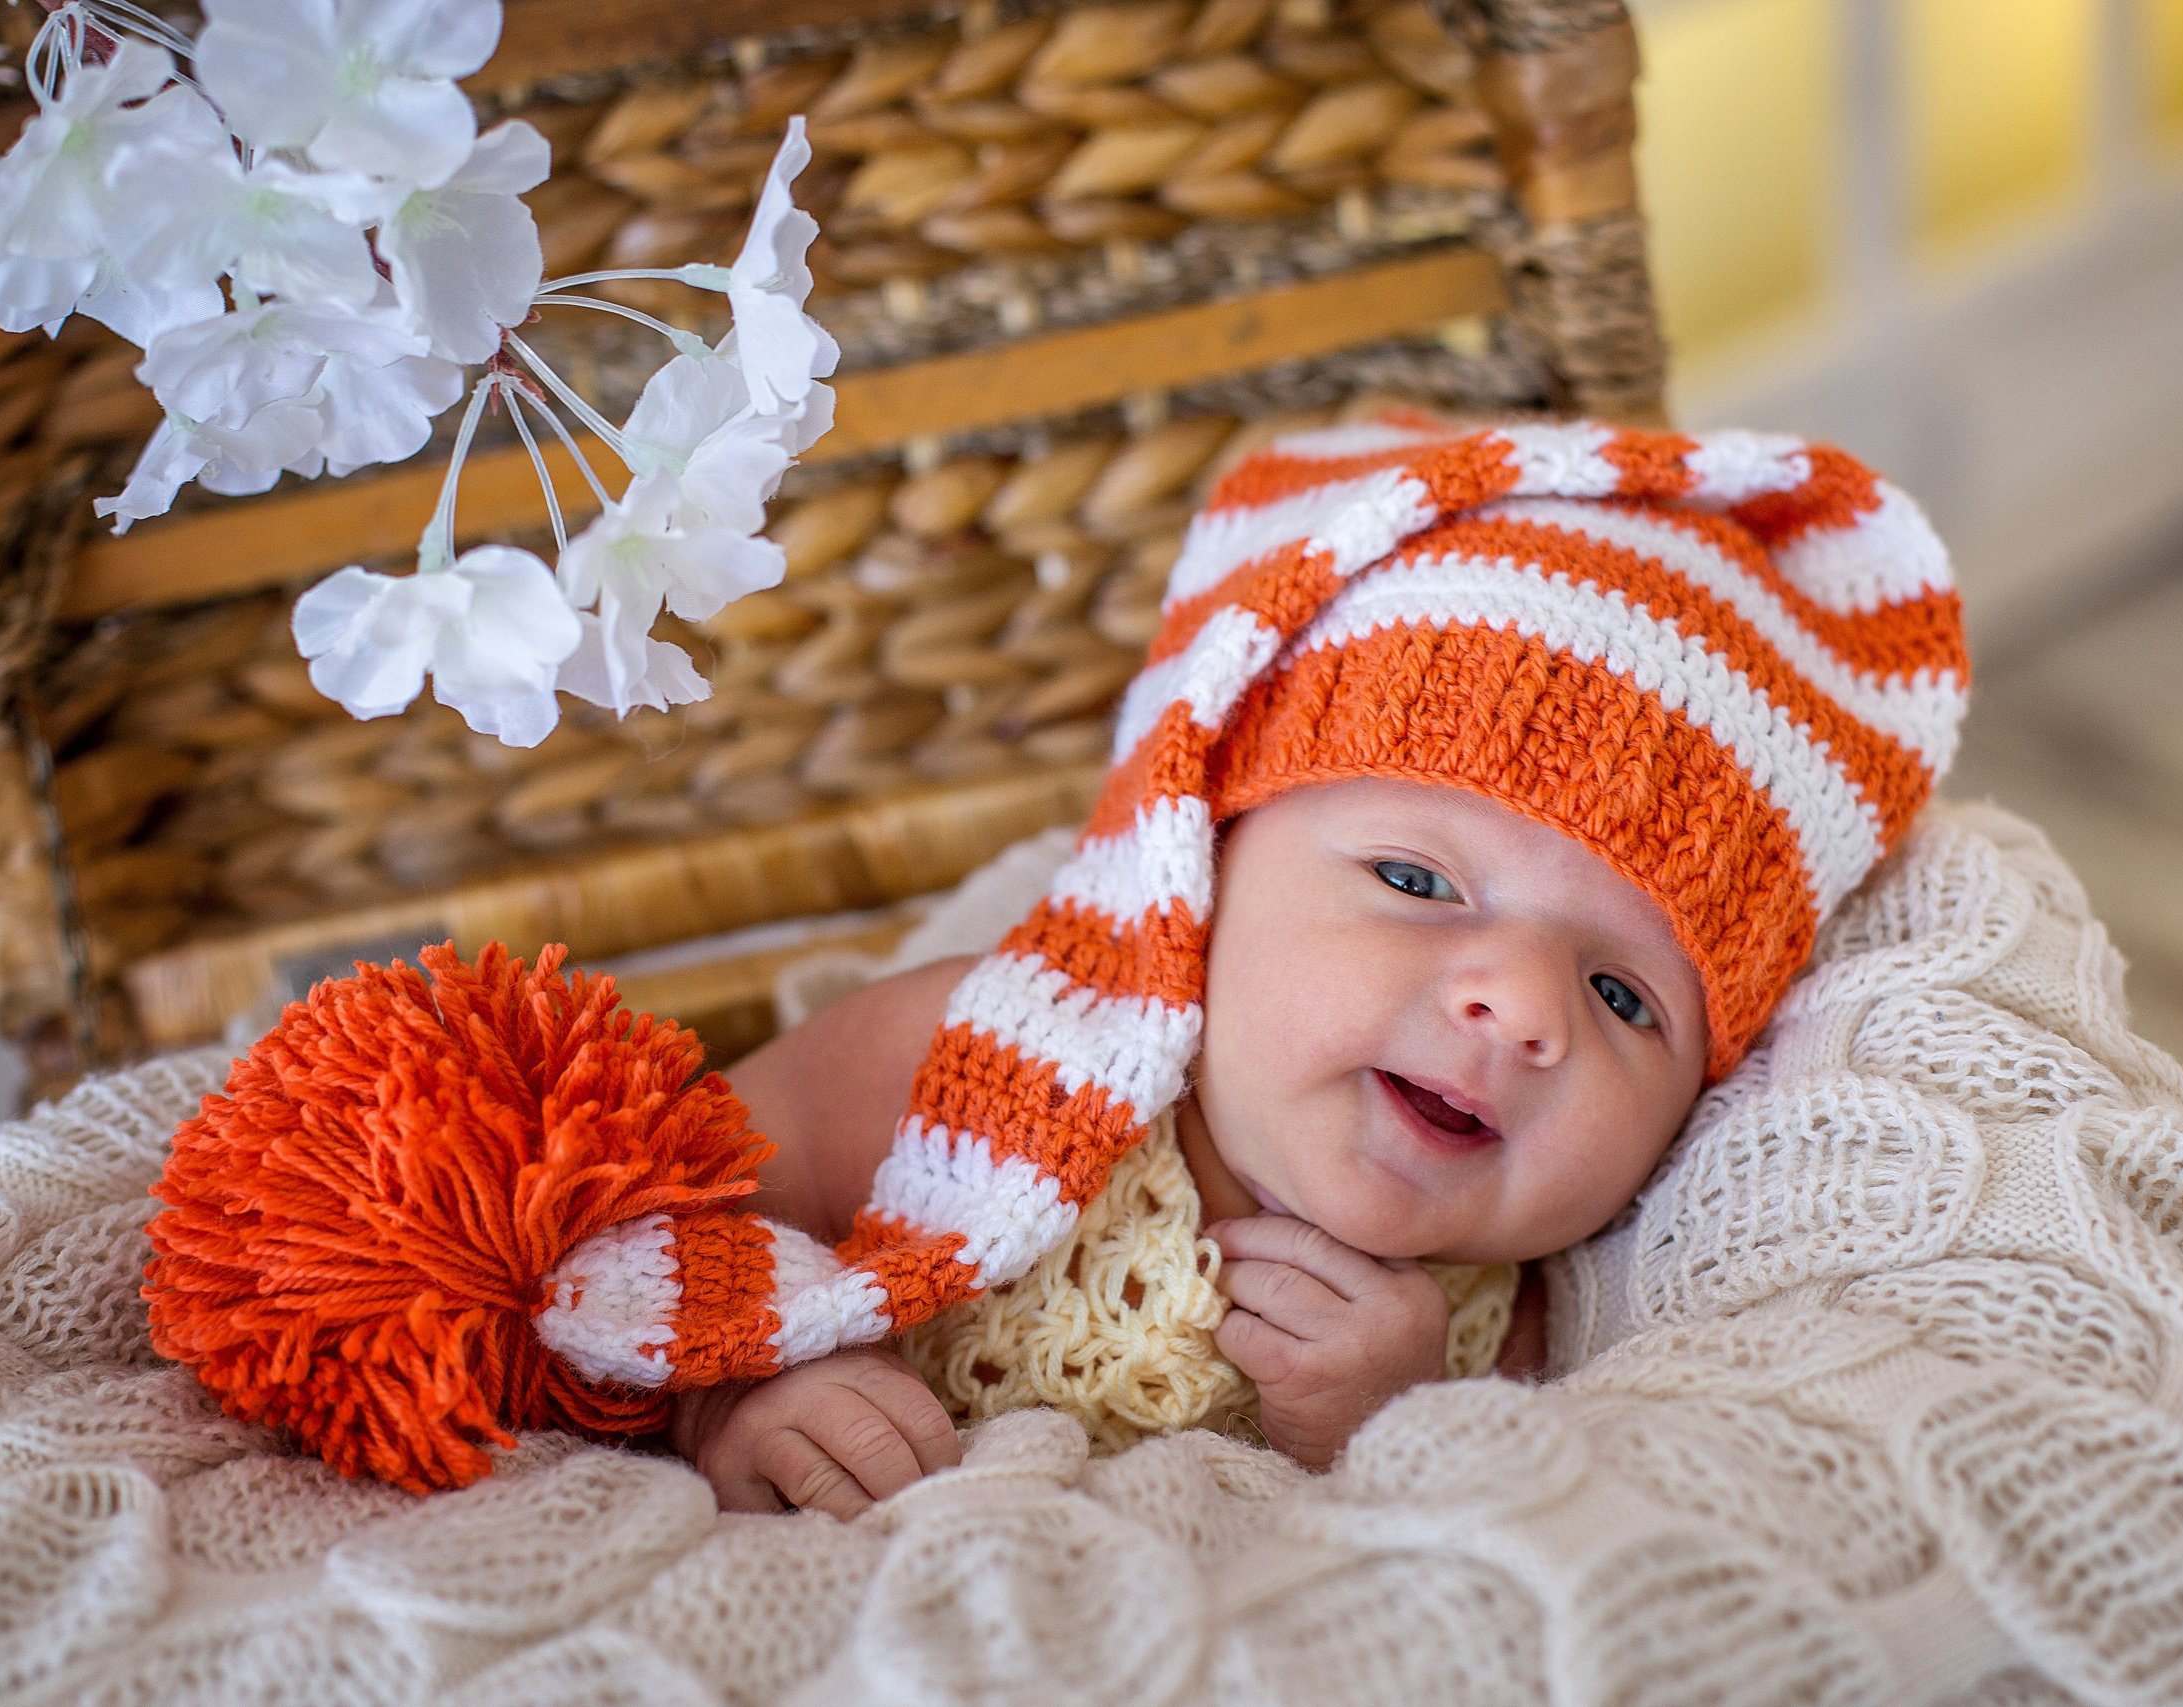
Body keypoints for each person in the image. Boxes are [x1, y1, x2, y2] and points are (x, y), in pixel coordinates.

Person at [665, 416, 1970, 1516]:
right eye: (1415, 881)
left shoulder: (1511, 1308)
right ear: (1194, 869)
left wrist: (1395, 1423)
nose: (1520, 1008)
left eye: (1623, 996)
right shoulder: (981, 1060)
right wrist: (745, 1382)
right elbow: (690, 1187)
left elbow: (1516, 1536)